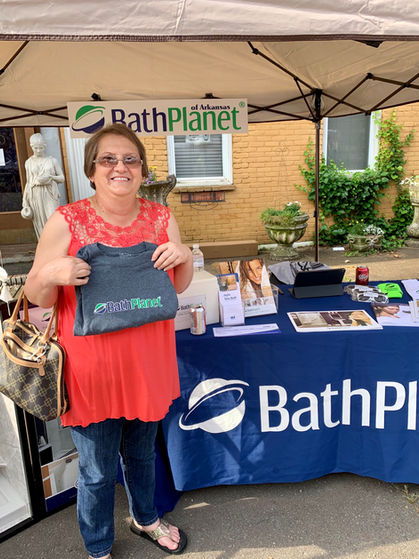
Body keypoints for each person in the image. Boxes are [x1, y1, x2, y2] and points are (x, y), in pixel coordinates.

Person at [24, 123, 193, 559]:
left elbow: (178, 285)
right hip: (91, 372)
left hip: (147, 365)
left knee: (142, 455)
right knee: (97, 469)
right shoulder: (66, 220)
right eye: (108, 159)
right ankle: (98, 546)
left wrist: (185, 256)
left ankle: (145, 518)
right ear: (92, 171)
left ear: (143, 170)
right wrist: (53, 273)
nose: (121, 167)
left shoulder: (161, 218)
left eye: (130, 159)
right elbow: (36, 294)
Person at [21, 133, 65, 239]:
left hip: (50, 193)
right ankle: (44, 246)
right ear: (31, 147)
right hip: (35, 194)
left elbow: (62, 178)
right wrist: (25, 201)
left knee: (52, 219)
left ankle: (57, 244)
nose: (38, 150)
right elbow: (28, 182)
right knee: (39, 222)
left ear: (44, 146)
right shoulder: (28, 162)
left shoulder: (52, 161)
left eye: (41, 148)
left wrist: (51, 177)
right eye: (36, 148)